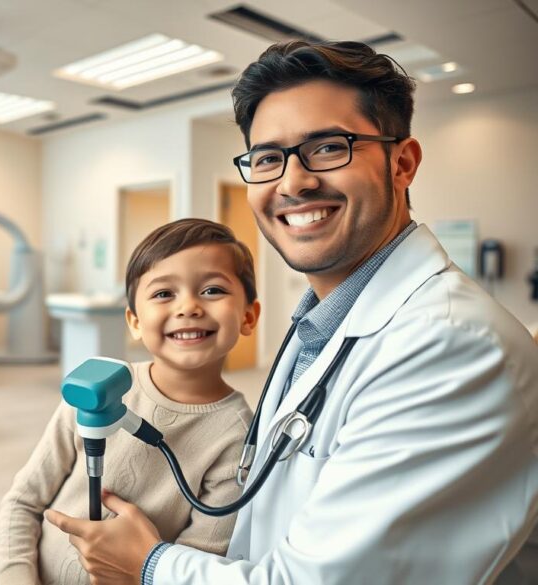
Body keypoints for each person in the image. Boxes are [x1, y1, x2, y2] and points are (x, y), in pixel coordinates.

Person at [46, 40, 538, 584]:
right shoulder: (321, 326)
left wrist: (149, 564)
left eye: (329, 147)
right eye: (267, 158)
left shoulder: (450, 346)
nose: (293, 181)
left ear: (403, 163)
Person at [0, 219, 259, 585]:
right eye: (163, 294)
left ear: (248, 317)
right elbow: (23, 502)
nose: (188, 306)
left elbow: (192, 569)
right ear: (134, 322)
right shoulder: (97, 387)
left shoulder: (236, 440)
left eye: (212, 290)